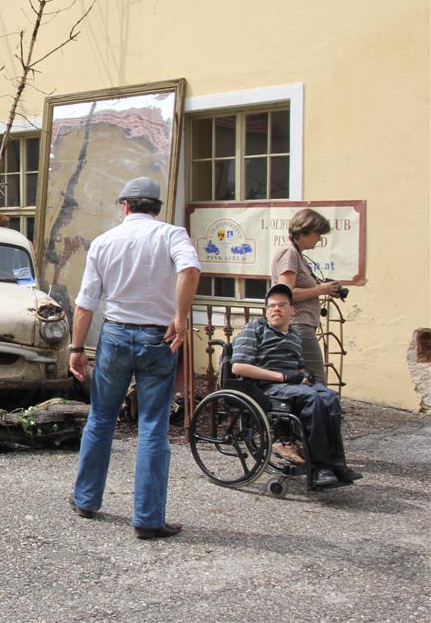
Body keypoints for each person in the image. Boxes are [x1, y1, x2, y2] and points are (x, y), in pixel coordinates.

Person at [68, 176, 200, 540]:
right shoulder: (172, 235)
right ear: (156, 208)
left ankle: (86, 499)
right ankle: (148, 518)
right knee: (153, 425)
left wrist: (76, 349)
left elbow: (85, 303)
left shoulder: (104, 241)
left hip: (113, 335)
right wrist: (181, 318)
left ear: (125, 206)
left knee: (101, 418)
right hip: (159, 337)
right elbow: (189, 270)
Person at [230, 284, 362, 488]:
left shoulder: (293, 336)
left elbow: (298, 367)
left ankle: (336, 464)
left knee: (330, 397)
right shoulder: (254, 329)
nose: (276, 309)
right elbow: (239, 367)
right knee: (313, 399)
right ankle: (319, 468)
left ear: (292, 310)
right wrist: (283, 376)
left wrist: (304, 374)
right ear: (266, 310)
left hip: (292, 384)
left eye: (282, 305)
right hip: (265, 387)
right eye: (271, 305)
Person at [271, 208, 345, 383]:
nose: (320, 239)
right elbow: (286, 293)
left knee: (304, 379)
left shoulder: (296, 254)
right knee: (317, 379)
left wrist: (322, 288)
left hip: (301, 324)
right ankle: (319, 410)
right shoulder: (290, 253)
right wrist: (321, 289)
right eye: (318, 233)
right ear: (304, 231)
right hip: (298, 324)